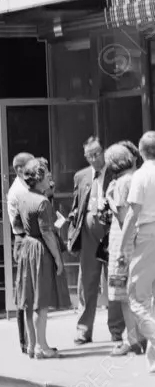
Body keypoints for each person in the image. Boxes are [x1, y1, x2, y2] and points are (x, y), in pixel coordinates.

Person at [67, 136, 121, 345]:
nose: (93, 159)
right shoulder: (81, 176)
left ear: (103, 152)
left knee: (114, 280)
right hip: (89, 235)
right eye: (89, 155)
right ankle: (84, 330)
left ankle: (116, 330)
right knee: (86, 282)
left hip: (110, 233)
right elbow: (76, 205)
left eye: (96, 154)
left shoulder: (115, 173)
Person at [14, 157, 71, 357]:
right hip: (40, 251)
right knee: (41, 301)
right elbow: (47, 232)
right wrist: (57, 258)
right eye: (46, 175)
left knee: (28, 301)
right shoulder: (43, 202)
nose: (49, 178)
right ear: (38, 179)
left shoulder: (22, 197)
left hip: (27, 248)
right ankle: (42, 346)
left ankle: (31, 345)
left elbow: (19, 225)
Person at [103, 143, 145, 356]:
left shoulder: (120, 183)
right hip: (141, 239)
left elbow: (122, 216)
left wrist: (109, 200)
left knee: (123, 292)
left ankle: (133, 338)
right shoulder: (138, 177)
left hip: (123, 241)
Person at [119, 130, 155, 374]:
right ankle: (153, 359)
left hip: (148, 235)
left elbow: (132, 213)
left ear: (141, 152)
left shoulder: (141, 176)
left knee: (136, 297)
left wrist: (123, 244)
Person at [7, 152, 33, 353]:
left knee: (29, 290)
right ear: (19, 169)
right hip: (23, 240)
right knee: (23, 291)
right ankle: (24, 341)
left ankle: (31, 340)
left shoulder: (28, 187)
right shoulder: (18, 191)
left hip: (27, 240)